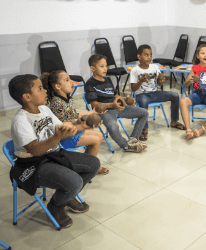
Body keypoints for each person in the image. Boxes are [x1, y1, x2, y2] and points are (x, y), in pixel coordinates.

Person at [8, 74, 100, 228]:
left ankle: (66, 197)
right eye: (40, 88)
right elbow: (35, 150)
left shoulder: (44, 109)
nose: (45, 91)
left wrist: (83, 125)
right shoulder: (20, 121)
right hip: (34, 163)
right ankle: (55, 206)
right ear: (27, 97)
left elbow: (63, 129)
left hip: (53, 154)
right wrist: (57, 137)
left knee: (93, 164)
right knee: (74, 181)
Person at [41, 70, 109, 175]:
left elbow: (73, 115)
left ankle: (87, 164)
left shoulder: (67, 97)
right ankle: (92, 167)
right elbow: (63, 128)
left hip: (74, 130)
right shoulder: (57, 103)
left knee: (99, 135)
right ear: (58, 86)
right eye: (67, 80)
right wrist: (85, 125)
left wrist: (92, 112)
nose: (71, 82)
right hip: (64, 138)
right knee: (96, 139)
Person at [84, 54, 148, 153]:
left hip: (117, 107)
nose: (105, 69)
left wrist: (125, 99)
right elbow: (94, 105)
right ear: (92, 68)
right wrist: (112, 105)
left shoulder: (108, 80)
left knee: (144, 112)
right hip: (105, 111)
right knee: (113, 126)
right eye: (102, 66)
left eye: (106, 66)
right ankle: (126, 146)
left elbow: (116, 96)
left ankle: (133, 139)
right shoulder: (90, 83)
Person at [130, 44, 185, 141]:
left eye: (151, 55)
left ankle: (174, 121)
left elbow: (159, 84)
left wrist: (161, 81)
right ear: (139, 57)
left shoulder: (154, 67)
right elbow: (133, 89)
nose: (149, 57)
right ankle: (144, 128)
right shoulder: (135, 70)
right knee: (143, 101)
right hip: (141, 95)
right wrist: (141, 81)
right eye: (146, 55)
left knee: (175, 95)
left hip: (154, 93)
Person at [179, 44, 206, 140]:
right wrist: (190, 80)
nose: (205, 55)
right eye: (203, 53)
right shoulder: (195, 68)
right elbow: (185, 83)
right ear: (197, 56)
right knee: (183, 101)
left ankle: (202, 129)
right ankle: (188, 130)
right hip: (197, 93)